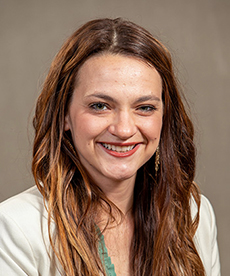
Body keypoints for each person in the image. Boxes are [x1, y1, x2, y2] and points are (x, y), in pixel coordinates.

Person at [0, 18, 221, 276]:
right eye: (100, 106)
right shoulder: (14, 228)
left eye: (145, 108)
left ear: (164, 117)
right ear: (64, 116)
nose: (124, 130)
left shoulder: (194, 214)